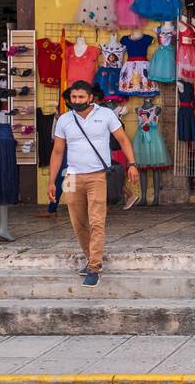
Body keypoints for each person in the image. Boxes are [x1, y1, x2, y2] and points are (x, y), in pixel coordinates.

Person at [47, 80, 140, 287]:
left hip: (98, 175)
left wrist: (132, 164)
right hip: (71, 176)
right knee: (77, 222)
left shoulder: (106, 115)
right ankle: (91, 258)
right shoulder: (64, 120)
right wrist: (52, 182)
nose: (77, 101)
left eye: (81, 97)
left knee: (97, 221)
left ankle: (94, 266)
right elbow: (58, 152)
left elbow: (123, 140)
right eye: (73, 98)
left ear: (90, 98)